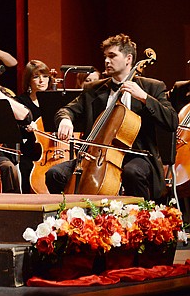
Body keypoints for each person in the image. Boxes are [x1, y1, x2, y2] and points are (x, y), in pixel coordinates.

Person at [45, 34, 178, 201]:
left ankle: (140, 220)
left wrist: (144, 98)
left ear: (129, 58)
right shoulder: (93, 89)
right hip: (96, 157)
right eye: (105, 56)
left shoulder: (151, 87)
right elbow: (67, 110)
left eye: (112, 56)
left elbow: (172, 120)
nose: (107, 61)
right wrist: (65, 119)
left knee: (132, 172)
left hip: (138, 156)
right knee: (54, 174)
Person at [12, 60, 52, 193]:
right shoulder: (21, 102)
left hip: (52, 150)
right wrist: (26, 128)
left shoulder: (54, 100)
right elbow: (15, 129)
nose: (42, 80)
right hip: (30, 152)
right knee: (25, 166)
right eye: (36, 77)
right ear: (29, 81)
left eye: (45, 76)